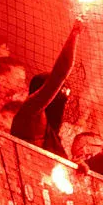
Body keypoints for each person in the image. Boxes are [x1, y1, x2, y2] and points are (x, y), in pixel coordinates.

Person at [11, 21, 84, 156]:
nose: (63, 96)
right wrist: (75, 33)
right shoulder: (30, 112)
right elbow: (59, 73)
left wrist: (75, 166)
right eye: (59, 91)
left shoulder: (52, 133)